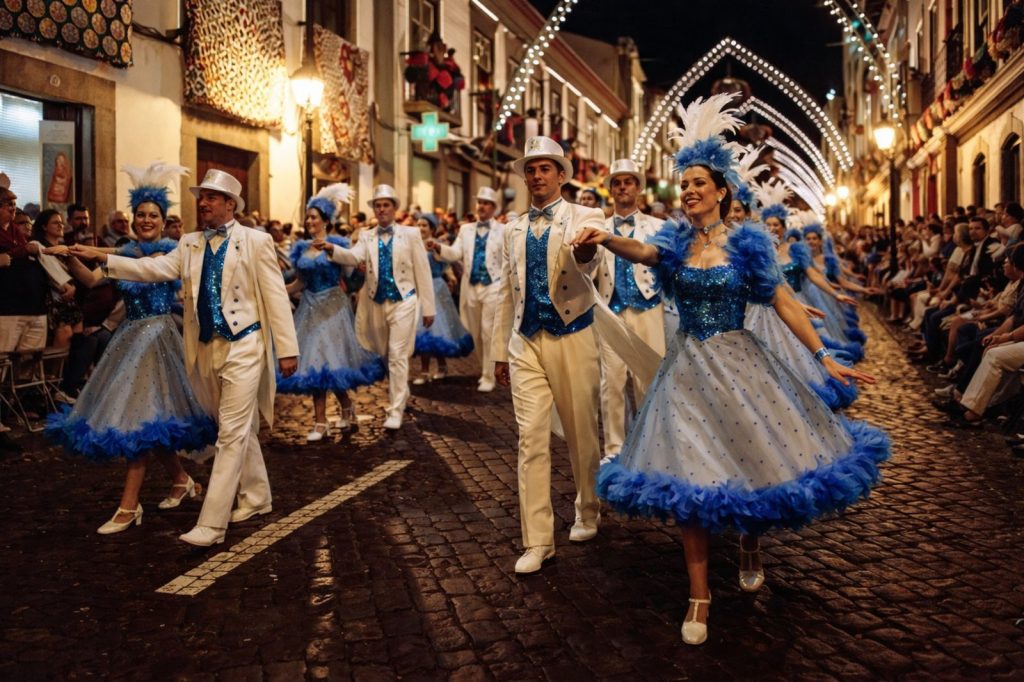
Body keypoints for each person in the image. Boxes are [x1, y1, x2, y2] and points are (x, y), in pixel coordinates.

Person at [571, 94, 888, 645]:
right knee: (691, 475)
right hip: (687, 372)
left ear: (721, 191)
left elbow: (784, 301)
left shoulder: (747, 243)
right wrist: (605, 238)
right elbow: (641, 253)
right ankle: (699, 595)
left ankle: (749, 539)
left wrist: (823, 358)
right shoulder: (671, 241)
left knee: (750, 461)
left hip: (742, 368)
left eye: (699, 183)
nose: (689, 191)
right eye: (684, 184)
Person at [71, 168, 300, 547]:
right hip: (206, 349)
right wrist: (101, 257)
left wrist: (287, 349)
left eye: (211, 197)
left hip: (246, 344)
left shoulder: (257, 242)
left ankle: (211, 524)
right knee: (235, 425)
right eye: (201, 197)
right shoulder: (190, 243)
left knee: (229, 433)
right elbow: (152, 268)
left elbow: (276, 296)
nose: (203, 203)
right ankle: (258, 496)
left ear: (231, 204)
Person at [47, 163, 216, 534]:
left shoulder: (170, 252)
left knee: (141, 419)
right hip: (129, 340)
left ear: (163, 218)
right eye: (140, 214)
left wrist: (91, 250)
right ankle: (181, 480)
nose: (146, 220)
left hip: (158, 340)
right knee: (148, 420)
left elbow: (141, 269)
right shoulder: (124, 249)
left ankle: (128, 506)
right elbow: (92, 279)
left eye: (153, 215)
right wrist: (68, 257)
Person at [492, 136, 607, 574]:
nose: (537, 176)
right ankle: (538, 540)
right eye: (531, 169)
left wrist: (585, 250)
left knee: (581, 432)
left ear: (562, 175)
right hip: (526, 339)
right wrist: (500, 354)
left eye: (545, 168)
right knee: (530, 437)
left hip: (573, 334)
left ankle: (588, 507)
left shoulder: (586, 215)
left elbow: (591, 262)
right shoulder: (513, 227)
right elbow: (507, 290)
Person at [313, 185, 435, 431]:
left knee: (397, 354)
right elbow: (355, 257)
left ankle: (396, 409)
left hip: (404, 300)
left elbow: (423, 270)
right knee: (385, 353)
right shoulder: (366, 236)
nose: (381, 209)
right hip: (376, 302)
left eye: (386, 205)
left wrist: (428, 307)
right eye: (377, 205)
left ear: (394, 208)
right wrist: (332, 249)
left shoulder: (411, 234)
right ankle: (401, 390)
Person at [278, 184, 385, 442]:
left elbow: (352, 275)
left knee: (330, 362)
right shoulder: (301, 249)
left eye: (314, 216)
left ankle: (332, 414)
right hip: (309, 309)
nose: (309, 220)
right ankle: (326, 419)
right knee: (317, 363)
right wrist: (277, 290)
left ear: (326, 220)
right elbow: (300, 283)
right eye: (308, 217)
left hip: (334, 309)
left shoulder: (337, 245)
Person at [595, 158, 666, 458]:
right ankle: (614, 449)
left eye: (628, 182)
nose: (622, 187)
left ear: (639, 188)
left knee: (648, 380)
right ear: (611, 189)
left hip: (647, 307)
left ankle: (651, 446)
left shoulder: (658, 226)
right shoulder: (595, 226)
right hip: (610, 310)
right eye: (617, 182)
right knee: (610, 382)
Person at [431, 187, 505, 391]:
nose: (481, 206)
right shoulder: (466, 229)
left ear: (494, 208)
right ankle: (484, 369)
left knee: (488, 331)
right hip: (471, 286)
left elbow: (509, 259)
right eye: (479, 202)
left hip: (493, 285)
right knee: (476, 333)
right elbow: (455, 253)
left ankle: (489, 376)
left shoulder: (504, 230)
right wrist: (439, 248)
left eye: (486, 203)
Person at [414, 213, 473, 383]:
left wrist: (450, 278)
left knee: (436, 330)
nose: (421, 228)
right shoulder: (414, 245)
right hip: (419, 290)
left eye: (425, 225)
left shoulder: (437, 245)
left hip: (435, 288)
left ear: (432, 228)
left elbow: (445, 264)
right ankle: (424, 370)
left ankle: (440, 366)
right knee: (422, 332)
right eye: (418, 225)